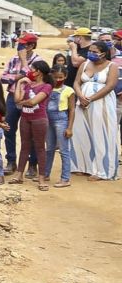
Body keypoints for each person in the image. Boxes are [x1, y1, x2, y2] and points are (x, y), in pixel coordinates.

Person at [72, 41, 119, 181]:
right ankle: (82, 166)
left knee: (101, 134)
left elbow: (110, 86)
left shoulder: (112, 66)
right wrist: (80, 95)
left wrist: (91, 99)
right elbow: (76, 82)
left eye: (94, 51)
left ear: (103, 53)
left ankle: (101, 170)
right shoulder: (84, 64)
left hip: (102, 105)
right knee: (81, 133)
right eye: (90, 51)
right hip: (82, 104)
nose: (90, 53)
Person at [0, 32, 42, 174]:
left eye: (22, 44)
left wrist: (24, 62)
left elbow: (33, 79)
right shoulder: (12, 60)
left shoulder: (38, 61)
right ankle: (11, 161)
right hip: (12, 97)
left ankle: (32, 164)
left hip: (29, 98)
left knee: (31, 132)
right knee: (9, 129)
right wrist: (19, 76)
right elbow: (3, 78)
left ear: (31, 46)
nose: (19, 47)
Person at [10, 60, 53, 191]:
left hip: (38, 119)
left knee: (39, 148)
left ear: (38, 71)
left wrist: (22, 102)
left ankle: (41, 178)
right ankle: (19, 174)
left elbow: (33, 101)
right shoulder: (29, 85)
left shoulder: (47, 86)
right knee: (24, 146)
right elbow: (17, 99)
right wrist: (19, 84)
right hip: (26, 118)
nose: (30, 72)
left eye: (32, 69)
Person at [44, 64, 74, 188]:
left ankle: (65, 178)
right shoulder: (47, 88)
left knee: (64, 150)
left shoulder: (69, 90)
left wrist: (69, 127)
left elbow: (72, 110)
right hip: (48, 120)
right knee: (49, 148)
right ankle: (45, 173)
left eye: (60, 77)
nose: (57, 80)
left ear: (65, 76)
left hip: (61, 120)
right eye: (55, 77)